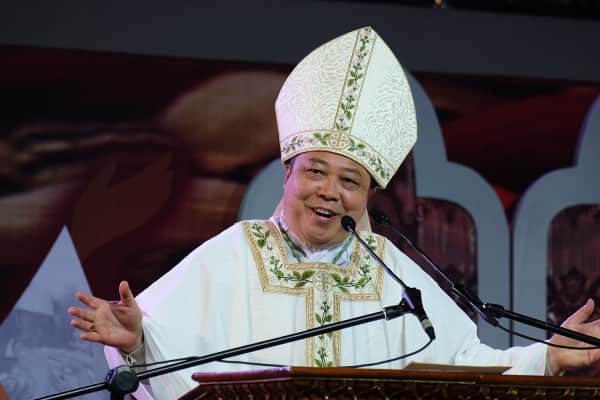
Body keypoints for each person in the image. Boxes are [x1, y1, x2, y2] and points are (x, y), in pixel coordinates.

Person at [69, 27, 600, 400]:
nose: (329, 192)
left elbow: (462, 367)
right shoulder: (235, 254)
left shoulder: (392, 274)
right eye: (315, 172)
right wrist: (138, 341)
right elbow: (168, 350)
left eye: (350, 181)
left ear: (368, 195)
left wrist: (545, 357)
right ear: (287, 174)